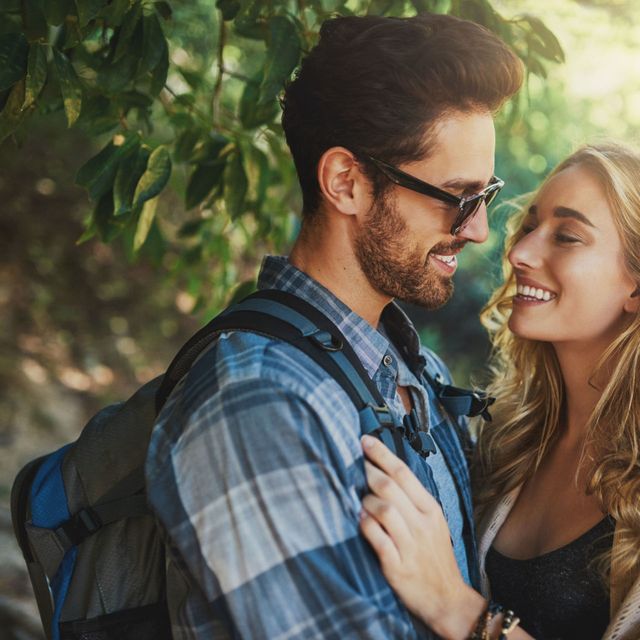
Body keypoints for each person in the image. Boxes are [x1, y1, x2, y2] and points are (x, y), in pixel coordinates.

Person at [144, 13, 523, 640]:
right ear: (346, 183)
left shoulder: (417, 375)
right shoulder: (259, 399)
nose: (477, 229)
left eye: (486, 196)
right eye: (457, 197)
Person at [360, 142, 640, 640]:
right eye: (531, 226)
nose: (520, 251)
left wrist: (457, 608)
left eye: (568, 236)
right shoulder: (505, 439)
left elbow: (447, 596)